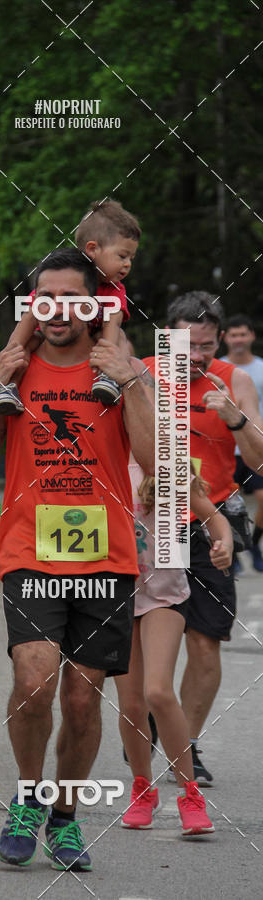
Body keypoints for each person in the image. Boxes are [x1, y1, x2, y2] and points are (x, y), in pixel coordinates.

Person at [0, 247, 155, 872]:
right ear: (33, 307)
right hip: (30, 551)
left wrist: (130, 381)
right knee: (34, 680)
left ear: (94, 304)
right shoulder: (15, 371)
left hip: (107, 558)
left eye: (73, 297)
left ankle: (65, 818)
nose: (58, 310)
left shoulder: (118, 370)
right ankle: (27, 795)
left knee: (81, 700)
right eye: (46, 298)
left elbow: (157, 463)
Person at [143, 292, 263, 785]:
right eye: (185, 347)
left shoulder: (234, 379)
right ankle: (149, 727)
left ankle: (182, 747)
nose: (195, 358)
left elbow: (259, 461)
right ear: (167, 338)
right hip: (151, 524)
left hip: (210, 524)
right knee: (145, 641)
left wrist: (234, 417)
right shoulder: (144, 372)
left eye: (206, 348)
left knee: (206, 641)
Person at [115, 460, 232, 834]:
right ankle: (142, 790)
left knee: (157, 692)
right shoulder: (102, 460)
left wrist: (223, 545)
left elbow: (215, 518)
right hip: (116, 597)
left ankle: (190, 794)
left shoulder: (168, 469)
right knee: (132, 703)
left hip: (165, 595)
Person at [0, 200, 140, 413]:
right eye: (122, 256)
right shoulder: (59, 278)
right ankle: (7, 387)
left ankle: (108, 379)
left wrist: (106, 358)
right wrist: (9, 353)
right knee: (29, 343)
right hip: (52, 333)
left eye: (131, 258)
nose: (128, 264)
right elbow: (27, 320)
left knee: (122, 340)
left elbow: (112, 327)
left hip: (95, 336)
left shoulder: (115, 290)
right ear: (92, 249)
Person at [222, 314, 263, 571]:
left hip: (256, 445)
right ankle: (233, 551)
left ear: (252, 336)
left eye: (242, 334)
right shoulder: (216, 367)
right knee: (227, 505)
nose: (238, 339)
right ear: (224, 337)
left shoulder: (260, 368)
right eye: (233, 334)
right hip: (225, 447)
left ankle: (253, 544)